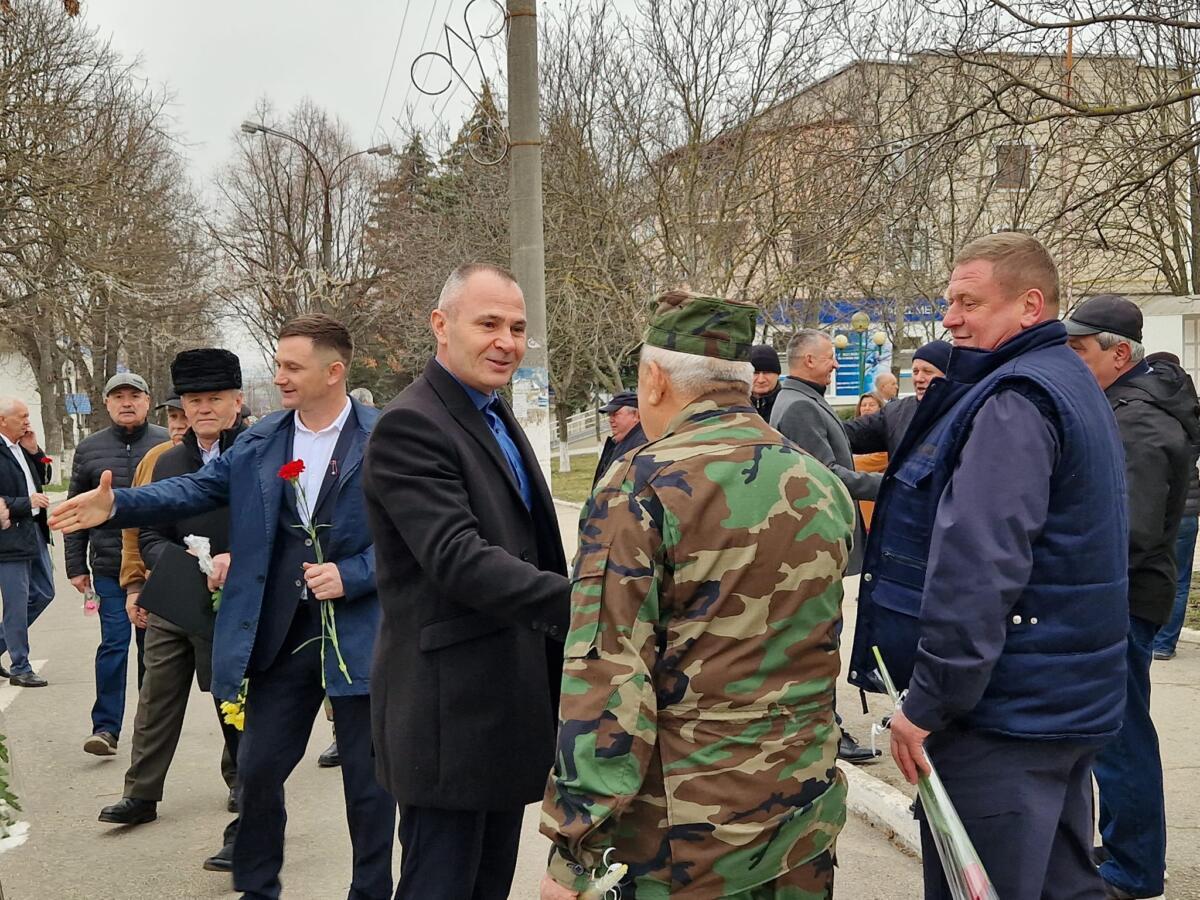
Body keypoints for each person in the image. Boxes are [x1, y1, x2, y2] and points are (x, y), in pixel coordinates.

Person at [50, 316, 396, 900]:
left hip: (360, 635)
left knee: (368, 786)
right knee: (257, 772)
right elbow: (195, 489)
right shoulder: (264, 440)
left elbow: (415, 536)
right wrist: (118, 506)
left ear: (334, 371)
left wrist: (355, 574)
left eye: (292, 367)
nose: (279, 377)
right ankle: (258, 889)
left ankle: (370, 892)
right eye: (278, 364)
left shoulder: (387, 437)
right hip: (282, 636)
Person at [539, 291, 855, 900]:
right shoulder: (818, 481)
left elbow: (608, 677)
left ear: (654, 380)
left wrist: (575, 851)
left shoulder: (639, 486)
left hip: (685, 843)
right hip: (803, 825)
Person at [849, 233, 1128, 899]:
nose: (950, 319)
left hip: (1005, 715)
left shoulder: (1015, 399)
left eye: (969, 303)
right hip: (1060, 700)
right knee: (1061, 886)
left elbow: (978, 568)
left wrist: (930, 701)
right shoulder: (1067, 381)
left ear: (1030, 306)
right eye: (950, 302)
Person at [361, 263, 570, 900]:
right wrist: (588, 603)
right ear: (441, 325)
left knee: (487, 885)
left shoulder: (492, 411)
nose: (506, 342)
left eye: (518, 328)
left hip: (502, 705)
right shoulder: (412, 424)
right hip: (448, 718)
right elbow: (457, 557)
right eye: (489, 324)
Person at [1066, 294, 1197, 900]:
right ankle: (1124, 849)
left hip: (1120, 597)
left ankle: (1134, 869)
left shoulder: (1137, 418)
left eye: (1079, 350)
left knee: (1121, 739)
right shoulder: (1125, 404)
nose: (1070, 361)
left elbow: (1131, 530)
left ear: (1119, 354)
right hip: (1118, 594)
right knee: (1112, 735)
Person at [97, 351, 246, 859]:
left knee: (234, 699)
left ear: (236, 401)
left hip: (236, 597)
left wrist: (231, 561)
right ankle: (140, 793)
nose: (203, 409)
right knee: (156, 696)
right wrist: (172, 567)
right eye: (193, 400)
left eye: (214, 399)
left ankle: (243, 784)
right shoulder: (166, 461)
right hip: (175, 595)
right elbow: (148, 532)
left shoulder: (257, 454)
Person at [771, 329, 880, 764]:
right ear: (808, 360)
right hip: (811, 546)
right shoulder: (798, 406)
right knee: (818, 642)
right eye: (831, 356)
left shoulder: (802, 399)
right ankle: (825, 732)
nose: (836, 364)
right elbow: (825, 473)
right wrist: (886, 485)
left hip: (812, 545)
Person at [67, 372, 167, 756]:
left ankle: (149, 727)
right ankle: (105, 728)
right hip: (109, 566)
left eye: (134, 396)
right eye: (118, 396)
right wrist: (76, 566)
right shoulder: (89, 449)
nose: (127, 403)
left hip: (156, 565)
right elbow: (75, 510)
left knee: (151, 648)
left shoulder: (166, 444)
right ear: (107, 403)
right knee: (113, 643)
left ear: (147, 401)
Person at [1145, 350, 1200, 661]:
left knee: (1143, 573)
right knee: (1179, 580)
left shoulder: (1145, 405)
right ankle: (1164, 644)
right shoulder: (1191, 411)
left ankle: (1145, 636)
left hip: (1151, 506)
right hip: (1187, 508)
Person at [0, 398, 54, 687]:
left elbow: (45, 476)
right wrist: (26, 503)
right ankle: (20, 666)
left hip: (34, 531)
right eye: (21, 417)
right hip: (8, 536)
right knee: (16, 604)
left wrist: (35, 451)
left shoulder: (21, 446)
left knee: (45, 592)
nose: (27, 421)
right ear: (2, 421)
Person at [843, 340, 952, 458]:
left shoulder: (962, 411)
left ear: (948, 375)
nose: (919, 379)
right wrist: (828, 425)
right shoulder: (897, 412)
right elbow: (852, 433)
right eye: (915, 372)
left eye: (928, 372)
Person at [590, 390, 647, 488]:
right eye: (609, 415)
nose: (610, 420)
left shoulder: (641, 446)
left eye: (615, 414)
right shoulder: (618, 443)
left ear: (636, 415)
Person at [852, 391, 889, 530]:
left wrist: (852, 459)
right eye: (864, 405)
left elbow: (880, 458)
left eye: (871, 405)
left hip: (873, 506)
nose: (866, 408)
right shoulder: (853, 434)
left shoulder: (885, 435)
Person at [749, 343, 782, 420]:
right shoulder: (733, 405)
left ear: (777, 374)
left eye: (767, 372)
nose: (761, 380)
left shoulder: (788, 405)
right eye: (755, 373)